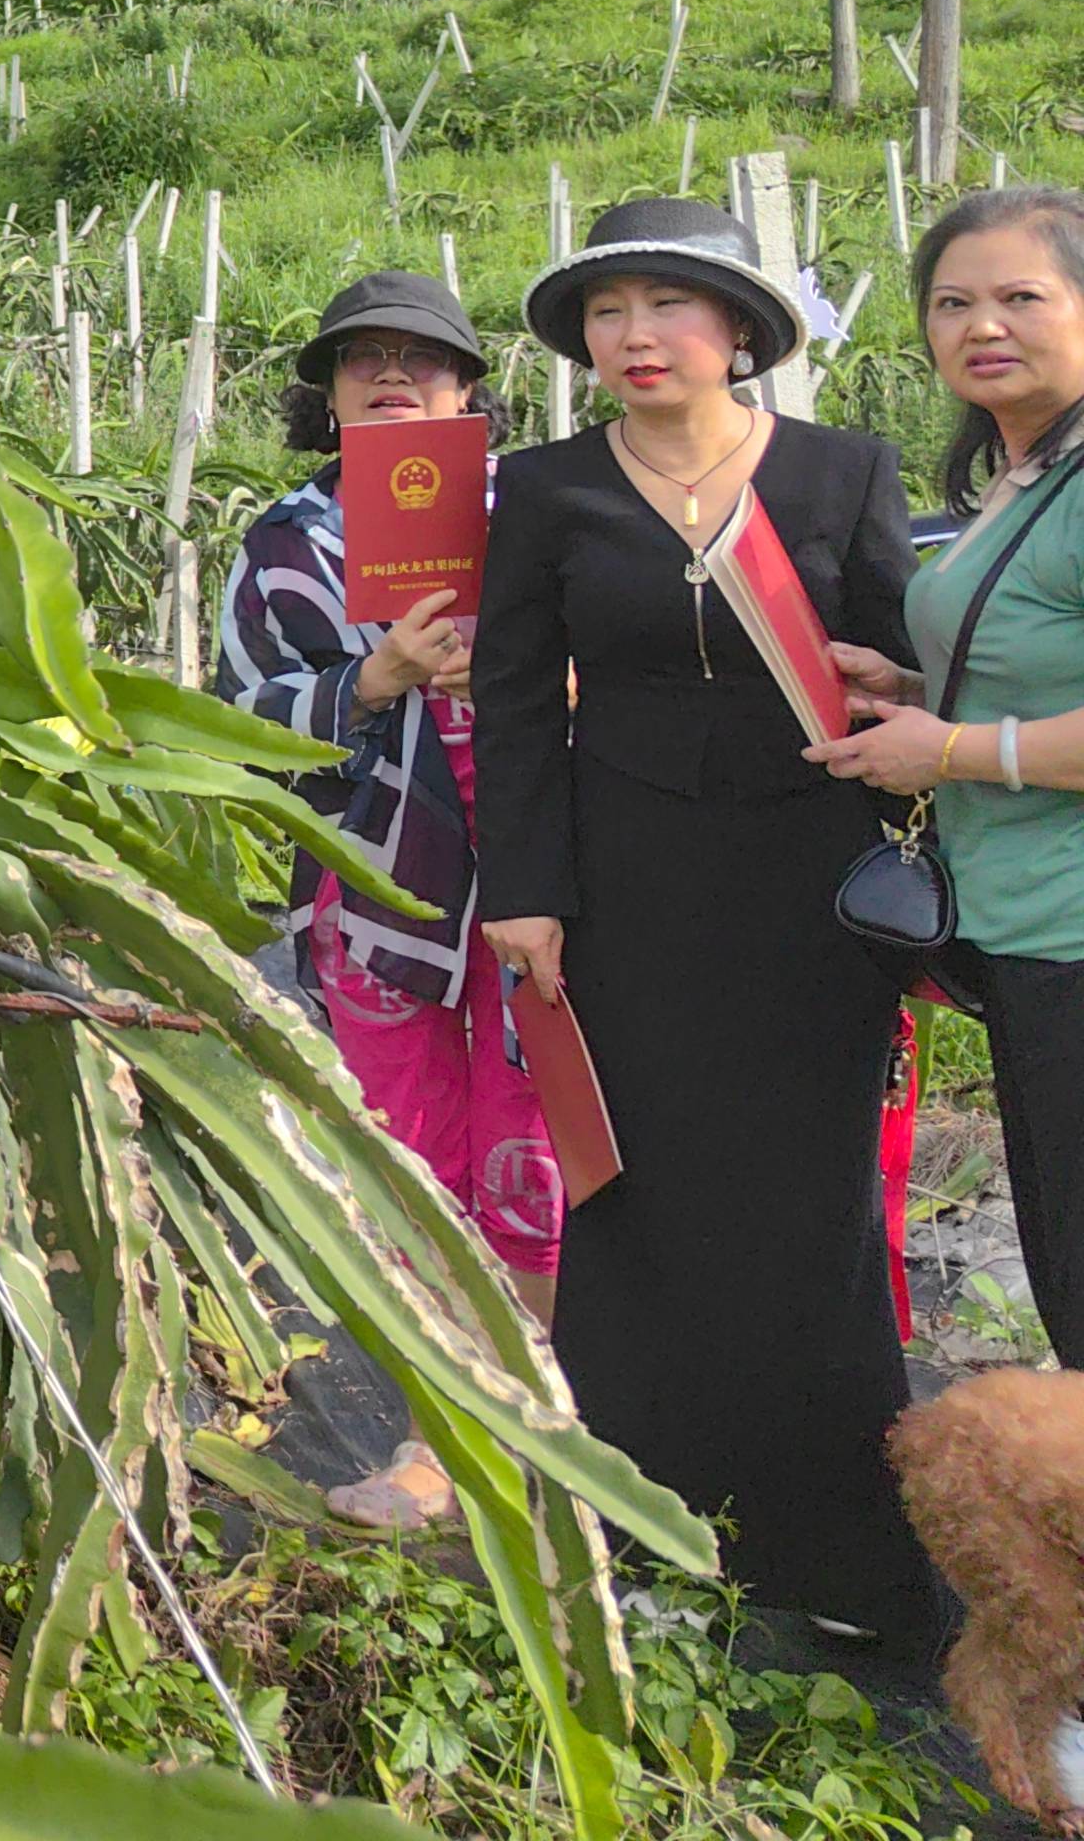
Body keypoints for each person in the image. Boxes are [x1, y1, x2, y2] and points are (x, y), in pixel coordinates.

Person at [477, 196, 943, 1645]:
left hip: (809, 888)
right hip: (625, 891)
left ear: (736, 330)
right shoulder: (548, 489)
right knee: (636, 1198)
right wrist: (530, 894)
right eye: (609, 314)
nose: (636, 337)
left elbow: (906, 670)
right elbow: (508, 703)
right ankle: (640, 1546)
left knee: (808, 1209)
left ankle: (840, 1565)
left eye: (667, 307)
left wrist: (899, 687)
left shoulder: (838, 472)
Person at [215, 270, 553, 1531]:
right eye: (363, 358)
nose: (393, 373)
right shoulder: (289, 543)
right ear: (329, 394)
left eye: (424, 356)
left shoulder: (548, 514)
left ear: (471, 389)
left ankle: (547, 1435)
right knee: (416, 1175)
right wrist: (372, 680)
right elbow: (240, 729)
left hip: (544, 900)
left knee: (536, 1167)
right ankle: (437, 1447)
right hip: (380, 908)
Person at [810, 186, 1084, 1363]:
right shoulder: (1019, 478)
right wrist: (914, 693)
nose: (984, 325)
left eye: (1023, 297)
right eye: (953, 302)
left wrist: (957, 751)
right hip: (1027, 929)